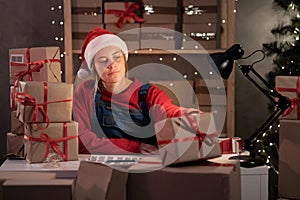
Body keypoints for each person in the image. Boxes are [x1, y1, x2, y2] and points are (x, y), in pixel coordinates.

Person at [73, 27, 200, 155]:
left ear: (124, 59)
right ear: (93, 66)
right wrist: (133, 147)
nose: (112, 64)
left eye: (116, 57)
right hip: (102, 166)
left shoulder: (149, 94)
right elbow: (81, 140)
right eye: (103, 60)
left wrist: (186, 115)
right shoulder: (85, 93)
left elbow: (166, 111)